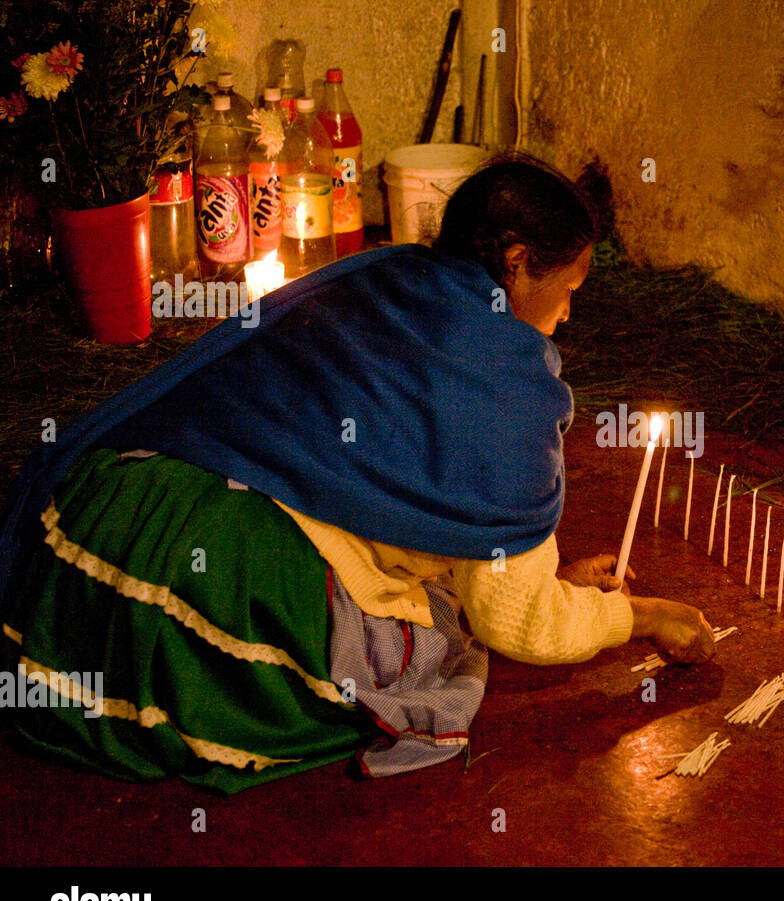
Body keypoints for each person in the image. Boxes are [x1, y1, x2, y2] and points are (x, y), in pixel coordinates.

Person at [0, 155, 715, 792]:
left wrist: (545, 578)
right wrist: (638, 617)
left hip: (110, 515)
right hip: (217, 589)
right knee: (429, 649)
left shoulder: (387, 276)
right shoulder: (505, 398)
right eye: (566, 288)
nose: (564, 315)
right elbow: (516, 622)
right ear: (519, 260)